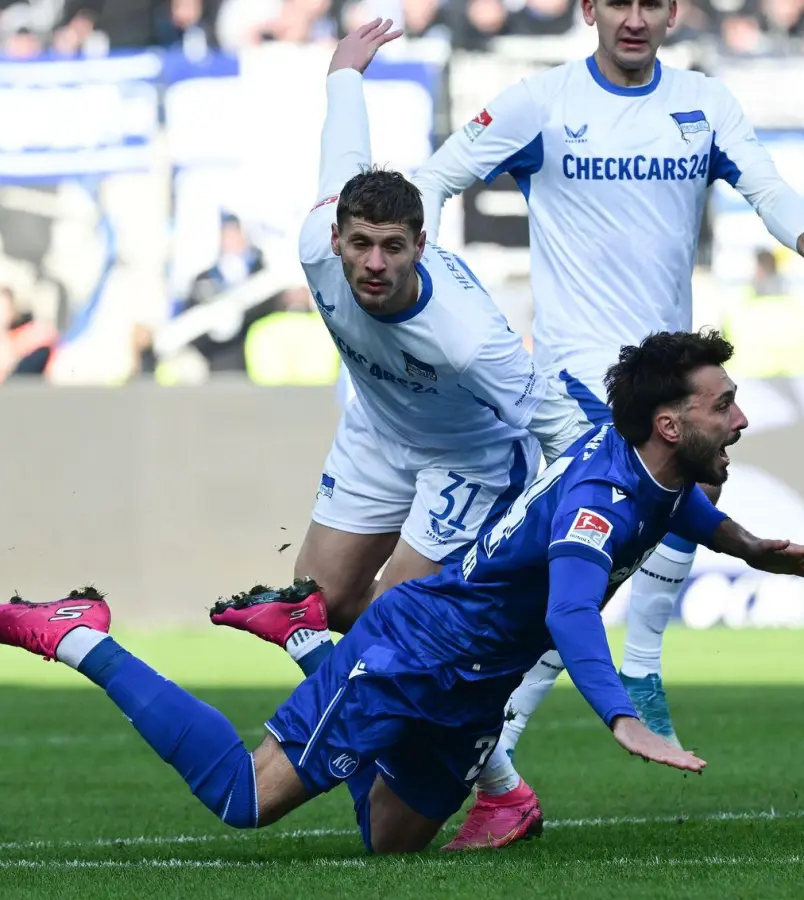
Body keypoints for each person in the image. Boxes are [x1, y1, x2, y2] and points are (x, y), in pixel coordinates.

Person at [0, 329, 804, 854]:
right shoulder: (597, 508)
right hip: (412, 649)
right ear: (671, 423)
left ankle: (307, 639)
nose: (739, 417)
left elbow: (676, 505)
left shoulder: (645, 470)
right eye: (724, 403)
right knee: (244, 798)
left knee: (390, 844)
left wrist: (752, 549)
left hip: (472, 686)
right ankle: (79, 634)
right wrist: (622, 718)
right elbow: (569, 611)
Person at [409, 0, 804, 847]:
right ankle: (571, 712)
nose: (635, 17)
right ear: (589, 10)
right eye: (619, 1)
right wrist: (420, 283)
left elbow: (764, 179)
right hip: (578, 380)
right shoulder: (541, 102)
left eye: (653, 2)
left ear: (674, 11)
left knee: (602, 561)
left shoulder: (703, 104)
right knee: (589, 569)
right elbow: (434, 180)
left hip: (666, 372)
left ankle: (511, 755)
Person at [212, 21, 592, 681]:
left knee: (396, 624)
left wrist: (599, 525)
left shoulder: (467, 337)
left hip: (467, 458)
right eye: (360, 244)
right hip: (378, 429)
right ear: (335, 240)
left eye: (393, 247)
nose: (375, 263)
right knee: (321, 604)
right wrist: (345, 74)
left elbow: (561, 429)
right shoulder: (312, 245)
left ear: (421, 244)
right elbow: (344, 150)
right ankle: (448, 683)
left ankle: (485, 765)